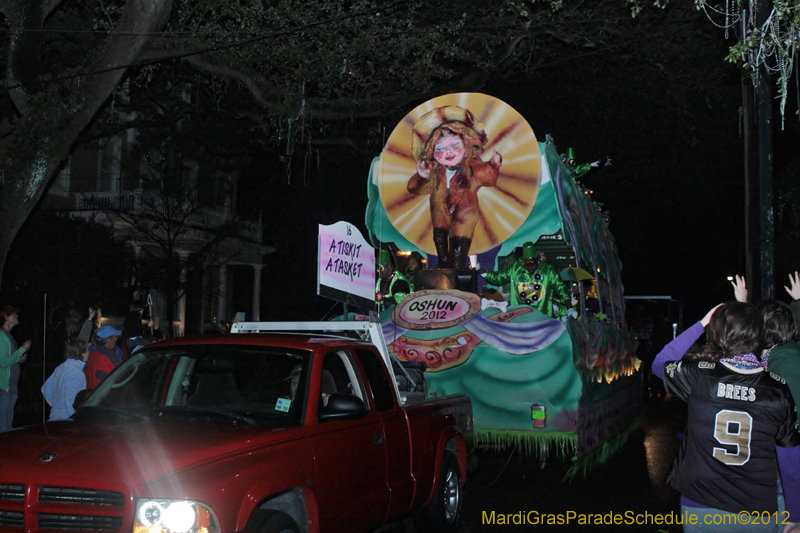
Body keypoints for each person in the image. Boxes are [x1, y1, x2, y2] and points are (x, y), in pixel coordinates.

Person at [653, 302, 800, 532]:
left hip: (701, 506)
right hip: (756, 511)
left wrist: (701, 324)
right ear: (757, 336)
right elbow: (790, 460)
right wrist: (795, 513)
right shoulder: (777, 390)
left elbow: (660, 362)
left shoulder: (699, 376)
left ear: (718, 335)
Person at [407, 106, 502, 268]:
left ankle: (456, 270)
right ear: (431, 152)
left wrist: (493, 165)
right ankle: (443, 266)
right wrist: (423, 177)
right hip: (440, 213)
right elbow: (414, 187)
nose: (448, 151)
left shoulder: (471, 168)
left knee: (459, 246)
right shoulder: (435, 171)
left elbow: (487, 177)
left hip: (465, 212)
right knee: (440, 243)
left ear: (467, 146)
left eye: (453, 144)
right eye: (439, 148)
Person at [479, 242, 571, 318]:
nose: (530, 268)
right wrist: (479, 269)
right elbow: (498, 278)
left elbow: (561, 289)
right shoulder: (515, 269)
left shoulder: (548, 270)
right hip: (520, 319)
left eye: (533, 265)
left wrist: (570, 308)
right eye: (527, 266)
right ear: (523, 263)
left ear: (537, 261)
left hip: (543, 318)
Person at [0, 305, 31, 432]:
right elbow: (3, 362)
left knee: (7, 424)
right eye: (13, 314)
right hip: (4, 387)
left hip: (11, 386)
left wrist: (19, 358)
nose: (16, 316)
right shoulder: (1, 337)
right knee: (3, 425)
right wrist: (22, 349)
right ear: (6, 317)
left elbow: (10, 358)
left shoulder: (8, 336)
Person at [42, 339, 89, 420]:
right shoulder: (76, 373)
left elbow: (45, 389)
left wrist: (56, 405)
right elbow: (72, 401)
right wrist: (76, 418)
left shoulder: (61, 367)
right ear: (82, 354)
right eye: (87, 350)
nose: (89, 353)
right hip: (66, 418)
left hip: (55, 415)